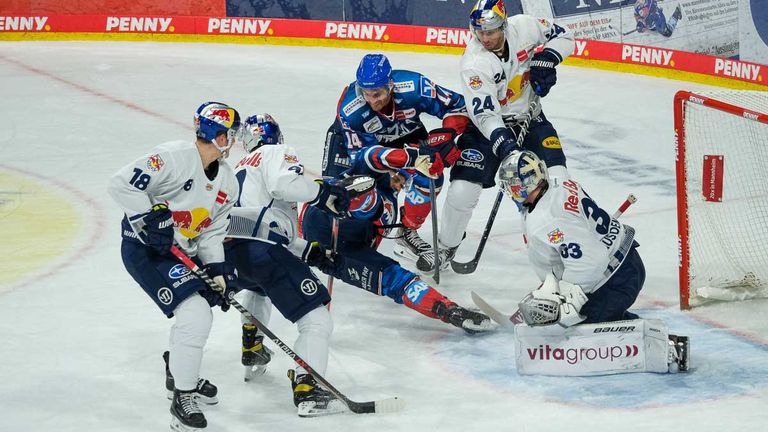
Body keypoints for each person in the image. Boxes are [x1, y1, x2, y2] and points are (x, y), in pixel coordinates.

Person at [108, 101, 242, 431]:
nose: (234, 141)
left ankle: (178, 369)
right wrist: (148, 217)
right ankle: (183, 398)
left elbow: (211, 232)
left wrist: (217, 271)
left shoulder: (227, 182)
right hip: (145, 250)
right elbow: (120, 183)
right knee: (196, 314)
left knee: (196, 313)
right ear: (219, 134)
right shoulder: (173, 156)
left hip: (181, 252)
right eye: (231, 134)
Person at [497, 150, 689, 374]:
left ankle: (667, 347)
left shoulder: (547, 219)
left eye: (512, 185)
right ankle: (649, 338)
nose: (510, 192)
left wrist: (567, 301)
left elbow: (590, 262)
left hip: (613, 278)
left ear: (524, 185)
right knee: (594, 319)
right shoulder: (560, 184)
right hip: (622, 261)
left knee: (579, 333)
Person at [224, 113, 353, 417]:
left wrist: (309, 251)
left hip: (231, 254)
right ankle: (310, 389)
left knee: (260, 288)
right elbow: (285, 184)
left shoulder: (237, 169)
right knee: (317, 318)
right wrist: (324, 193)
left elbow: (257, 222)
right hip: (261, 250)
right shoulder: (274, 152)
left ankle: (252, 345)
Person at [435, 0, 575, 270]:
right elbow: (485, 114)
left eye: (491, 31)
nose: (485, 38)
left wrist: (548, 58)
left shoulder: (524, 27)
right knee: (463, 191)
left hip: (531, 119)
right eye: (480, 32)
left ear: (504, 24)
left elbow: (565, 35)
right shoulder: (474, 62)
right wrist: (505, 145)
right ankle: (445, 248)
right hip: (487, 129)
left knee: (558, 182)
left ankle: (559, 249)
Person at [301, 158, 493, 334]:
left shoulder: (390, 196)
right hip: (323, 231)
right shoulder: (369, 172)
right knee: (392, 278)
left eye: (404, 180)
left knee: (395, 279)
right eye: (398, 175)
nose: (399, 182)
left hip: (354, 245)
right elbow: (372, 156)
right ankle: (448, 310)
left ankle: (449, 311)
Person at [322, 53, 469, 271]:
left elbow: (458, 106)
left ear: (391, 85)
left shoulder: (415, 86)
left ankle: (407, 231)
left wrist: (444, 137)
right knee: (341, 197)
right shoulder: (350, 110)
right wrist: (390, 173)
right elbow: (362, 157)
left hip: (406, 137)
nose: (373, 100)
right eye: (367, 94)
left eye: (378, 93)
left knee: (430, 174)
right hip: (355, 145)